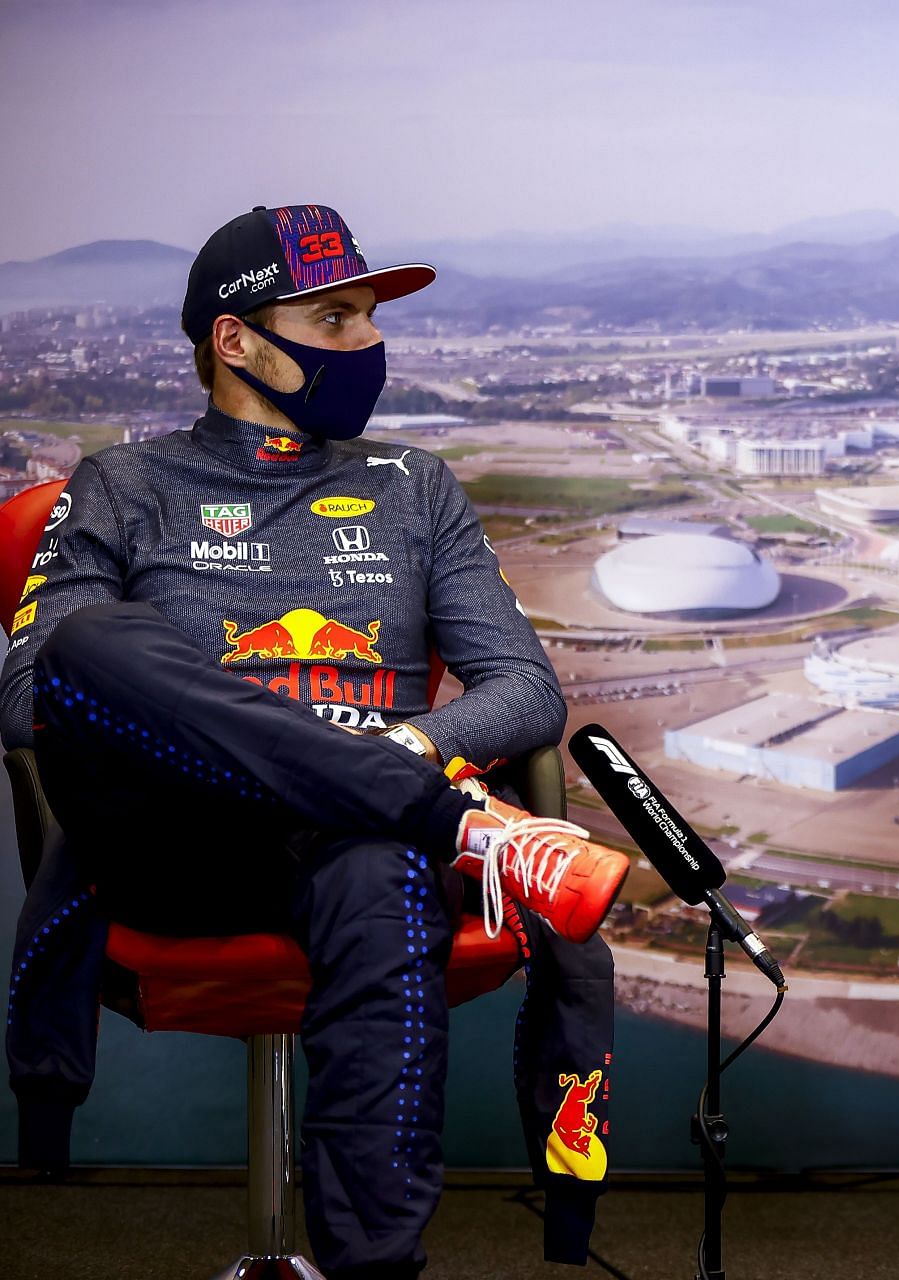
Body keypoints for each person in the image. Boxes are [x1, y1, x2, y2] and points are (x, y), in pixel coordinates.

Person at [4, 205, 632, 1279]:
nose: (368, 345)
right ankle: (460, 826)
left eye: (369, 320)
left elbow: (525, 688)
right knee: (85, 643)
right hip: (179, 833)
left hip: (361, 833)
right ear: (235, 340)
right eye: (335, 318)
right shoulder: (120, 483)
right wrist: (420, 787)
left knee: (381, 855)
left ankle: (373, 1267)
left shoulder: (415, 487)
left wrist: (403, 750)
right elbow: (29, 692)